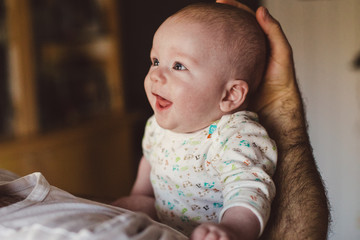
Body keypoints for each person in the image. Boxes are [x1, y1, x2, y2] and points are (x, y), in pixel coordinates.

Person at [114, 1, 330, 240]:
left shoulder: (235, 136)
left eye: (178, 65)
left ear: (230, 95)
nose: (155, 74)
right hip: (165, 225)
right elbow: (150, 158)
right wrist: (139, 197)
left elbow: (248, 190)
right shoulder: (157, 124)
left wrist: (233, 229)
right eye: (155, 61)